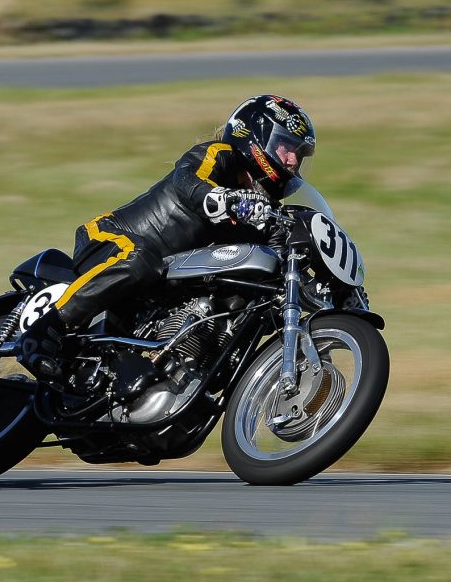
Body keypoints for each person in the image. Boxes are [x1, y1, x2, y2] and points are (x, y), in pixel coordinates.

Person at [18, 94, 316, 381]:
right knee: (140, 259)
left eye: (298, 154)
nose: (292, 161)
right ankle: (45, 329)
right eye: (285, 146)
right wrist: (222, 198)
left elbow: (277, 256)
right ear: (255, 136)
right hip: (111, 238)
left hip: (157, 287)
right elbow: (186, 179)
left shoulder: (264, 211)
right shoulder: (219, 155)